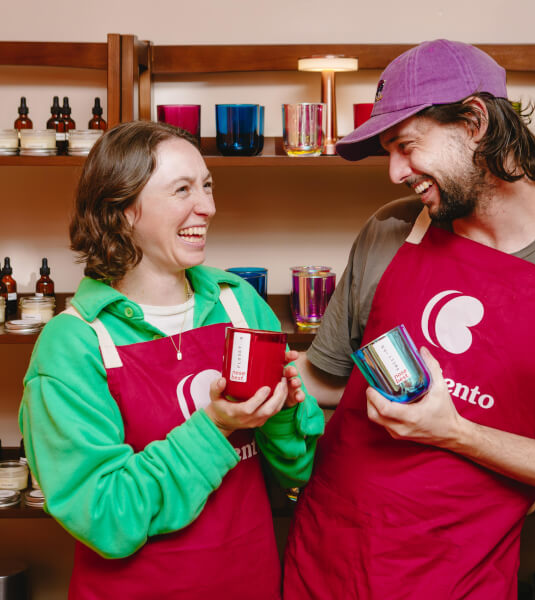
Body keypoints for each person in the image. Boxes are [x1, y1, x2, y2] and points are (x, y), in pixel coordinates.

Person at [283, 40, 535, 598]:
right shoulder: (391, 232)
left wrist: (455, 433)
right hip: (326, 556)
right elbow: (329, 382)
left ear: (475, 122)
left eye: (407, 146)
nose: (394, 173)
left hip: (460, 575)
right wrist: (253, 373)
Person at [19, 121, 324, 599]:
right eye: (182, 189)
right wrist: (217, 426)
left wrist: (283, 414)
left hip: (252, 581)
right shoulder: (74, 343)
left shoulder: (237, 302)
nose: (208, 206)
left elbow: (295, 470)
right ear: (121, 210)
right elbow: (106, 516)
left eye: (206, 186)